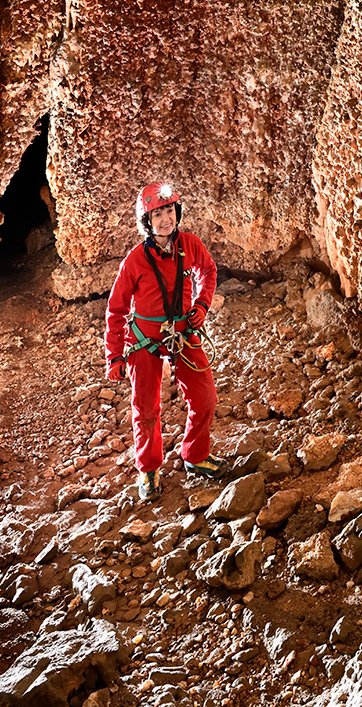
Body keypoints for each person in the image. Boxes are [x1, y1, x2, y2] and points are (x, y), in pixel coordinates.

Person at [105, 180, 226, 504]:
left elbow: (209, 272)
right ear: (147, 221)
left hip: (183, 333)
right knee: (146, 409)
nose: (165, 219)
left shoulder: (190, 245)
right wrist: (114, 355)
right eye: (157, 213)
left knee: (205, 398)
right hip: (145, 339)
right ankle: (148, 468)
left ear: (177, 212)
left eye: (169, 210)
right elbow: (116, 309)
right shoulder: (135, 260)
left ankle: (195, 454)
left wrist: (201, 305)